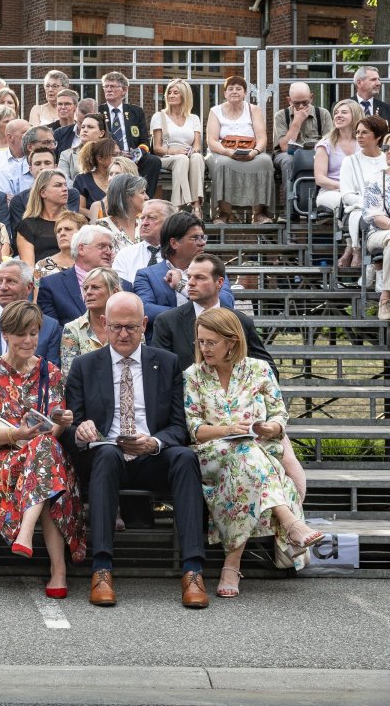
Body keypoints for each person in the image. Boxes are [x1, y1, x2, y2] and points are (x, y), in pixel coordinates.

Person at [64, 292, 208, 609]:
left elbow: (178, 425)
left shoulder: (167, 363)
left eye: (131, 327)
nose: (123, 334)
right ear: (104, 323)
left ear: (144, 325)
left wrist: (154, 442)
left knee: (185, 457)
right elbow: (70, 426)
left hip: (152, 453)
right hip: (106, 455)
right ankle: (101, 569)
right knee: (105, 454)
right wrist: (82, 431)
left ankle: (193, 570)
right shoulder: (84, 366)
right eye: (116, 327)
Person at [184, 308, 322, 595]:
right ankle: (290, 522)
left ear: (231, 341)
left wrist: (270, 429)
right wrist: (228, 430)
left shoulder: (259, 370)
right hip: (211, 455)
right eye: (200, 342)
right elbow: (194, 429)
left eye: (211, 342)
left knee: (245, 468)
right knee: (247, 454)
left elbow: (280, 417)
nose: (204, 348)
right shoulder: (193, 375)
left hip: (253, 456)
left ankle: (231, 566)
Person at [0, 300, 85, 596]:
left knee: (44, 451)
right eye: (22, 334)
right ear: (6, 333)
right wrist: (14, 434)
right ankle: (58, 570)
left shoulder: (51, 372)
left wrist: (62, 421)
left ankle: (26, 534)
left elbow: (55, 427)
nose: (29, 341)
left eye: (34, 334)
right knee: (49, 473)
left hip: (40, 453)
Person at [0, 259, 62, 384]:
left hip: (34, 400)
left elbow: (51, 375)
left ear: (29, 287)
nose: (2, 287)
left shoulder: (50, 326)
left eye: (10, 281)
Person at [133, 212, 234, 333]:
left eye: (203, 237)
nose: (202, 243)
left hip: (210, 346)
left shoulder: (214, 270)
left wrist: (181, 286)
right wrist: (193, 312)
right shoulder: (147, 275)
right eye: (195, 238)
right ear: (174, 243)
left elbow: (226, 304)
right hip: (165, 347)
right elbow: (145, 310)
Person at [206, 76, 276, 224]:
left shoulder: (254, 110)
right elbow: (211, 141)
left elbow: (262, 137)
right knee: (222, 164)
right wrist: (228, 152)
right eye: (230, 89)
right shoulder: (215, 111)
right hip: (223, 151)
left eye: (239, 89)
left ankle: (259, 214)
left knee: (265, 161)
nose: (234, 92)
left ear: (245, 93)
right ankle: (224, 213)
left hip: (250, 150)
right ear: (225, 93)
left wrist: (255, 152)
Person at [37, 224, 133, 328]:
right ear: (81, 249)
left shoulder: (125, 286)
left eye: (110, 247)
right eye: (102, 246)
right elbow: (51, 331)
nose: (109, 252)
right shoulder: (51, 285)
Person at [98, 72, 161, 197]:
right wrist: (117, 153)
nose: (108, 89)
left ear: (124, 90)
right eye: (106, 86)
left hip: (133, 157)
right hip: (109, 156)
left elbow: (145, 141)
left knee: (153, 161)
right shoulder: (99, 111)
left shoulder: (136, 112)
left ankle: (144, 198)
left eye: (113, 86)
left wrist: (136, 154)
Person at [150, 79, 205, 218]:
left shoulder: (194, 118)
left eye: (176, 93)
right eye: (169, 92)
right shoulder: (159, 116)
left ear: (184, 96)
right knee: (181, 159)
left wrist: (194, 151)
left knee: (198, 158)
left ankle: (196, 206)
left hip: (188, 154)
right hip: (166, 156)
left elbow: (197, 145)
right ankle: (176, 208)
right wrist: (175, 151)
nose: (171, 95)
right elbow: (157, 148)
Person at [314, 100, 360, 267]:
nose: (338, 115)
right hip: (330, 191)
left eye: (344, 112)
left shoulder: (362, 144)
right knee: (345, 201)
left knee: (358, 202)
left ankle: (351, 249)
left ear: (355, 115)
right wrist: (344, 187)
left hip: (357, 192)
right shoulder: (325, 144)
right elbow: (320, 178)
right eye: (336, 113)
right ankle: (354, 249)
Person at [59, 266, 123, 373]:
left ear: (115, 291)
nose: (88, 292)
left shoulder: (130, 325)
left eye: (95, 287)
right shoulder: (72, 329)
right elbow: (69, 375)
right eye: (85, 288)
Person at [358, 115, 390, 320]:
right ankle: (386, 297)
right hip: (378, 233)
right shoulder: (376, 180)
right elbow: (376, 217)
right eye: (389, 152)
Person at [272, 81, 333, 188]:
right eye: (296, 103)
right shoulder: (281, 116)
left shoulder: (323, 114)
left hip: (317, 152)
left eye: (305, 102)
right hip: (288, 154)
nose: (301, 107)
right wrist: (297, 122)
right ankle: (290, 201)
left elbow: (330, 143)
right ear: (289, 100)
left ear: (311, 98)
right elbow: (285, 147)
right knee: (289, 160)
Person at [15, 168, 69, 267]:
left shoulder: (75, 222)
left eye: (65, 185)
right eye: (58, 185)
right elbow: (29, 267)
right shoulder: (27, 226)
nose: (65, 189)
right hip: (41, 278)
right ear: (42, 193)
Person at [113, 199, 174, 284]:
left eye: (151, 218)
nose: (144, 223)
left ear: (169, 222)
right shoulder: (126, 255)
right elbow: (120, 289)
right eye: (142, 218)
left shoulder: (178, 254)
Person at [95, 172, 147, 249]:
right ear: (127, 196)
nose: (147, 197)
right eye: (142, 192)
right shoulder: (103, 227)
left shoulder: (144, 224)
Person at [70, 137, 116, 218]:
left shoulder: (123, 177)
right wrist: (99, 215)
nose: (119, 158)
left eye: (120, 154)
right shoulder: (82, 179)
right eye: (114, 155)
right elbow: (79, 209)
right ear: (100, 159)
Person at [35, 209, 86, 278]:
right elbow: (37, 289)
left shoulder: (93, 262)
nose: (62, 233)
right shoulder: (42, 265)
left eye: (68, 229)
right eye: (58, 231)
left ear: (82, 233)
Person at [58, 113, 107, 182]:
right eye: (83, 127)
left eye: (90, 127)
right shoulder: (66, 155)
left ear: (101, 133)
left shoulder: (110, 153)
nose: (85, 130)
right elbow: (63, 180)